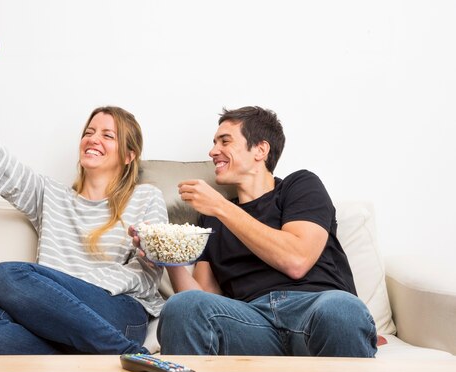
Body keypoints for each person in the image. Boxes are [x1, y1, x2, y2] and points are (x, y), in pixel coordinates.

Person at [0, 54, 167, 355]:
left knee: (5, 276)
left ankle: (121, 350)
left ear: (128, 155)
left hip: (117, 312)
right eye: (89, 132)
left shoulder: (146, 197)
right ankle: (104, 358)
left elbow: (152, 271)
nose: (93, 139)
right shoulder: (50, 195)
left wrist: (151, 246)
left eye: (108, 135)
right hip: (55, 321)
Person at [150, 106, 377, 357]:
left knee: (342, 309)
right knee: (181, 306)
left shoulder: (299, 186)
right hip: (251, 322)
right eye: (214, 143)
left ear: (260, 149)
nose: (213, 152)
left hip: (315, 309)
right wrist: (165, 253)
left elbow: (297, 260)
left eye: (225, 141)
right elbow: (204, 296)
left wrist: (221, 206)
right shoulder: (211, 218)